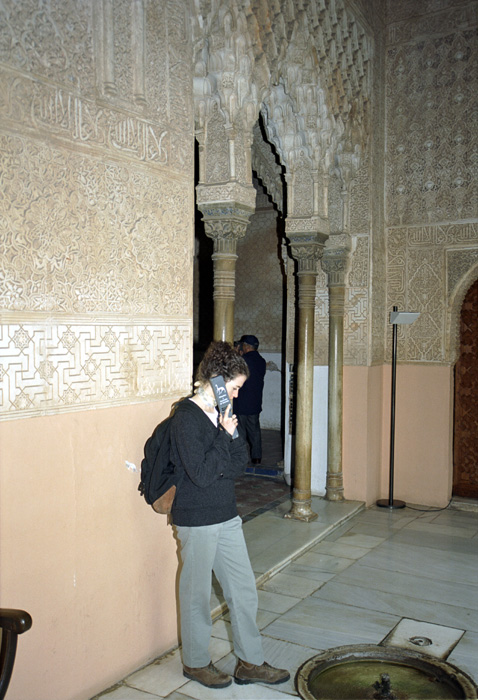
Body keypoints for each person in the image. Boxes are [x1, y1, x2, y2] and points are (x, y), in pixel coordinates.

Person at [169, 340, 290, 689]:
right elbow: (202, 474)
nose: (236, 396)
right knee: (196, 594)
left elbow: (239, 463)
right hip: (196, 518)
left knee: (242, 590)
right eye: (234, 388)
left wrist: (228, 436)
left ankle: (250, 662)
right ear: (218, 381)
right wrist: (224, 434)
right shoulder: (186, 418)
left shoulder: (220, 414)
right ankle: (195, 663)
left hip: (226, 514)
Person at [233, 334, 266, 465]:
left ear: (246, 346)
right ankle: (256, 457)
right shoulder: (261, 361)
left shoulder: (242, 360)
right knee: (255, 431)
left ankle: (241, 457)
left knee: (240, 431)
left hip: (241, 401)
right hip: (255, 401)